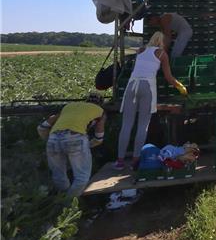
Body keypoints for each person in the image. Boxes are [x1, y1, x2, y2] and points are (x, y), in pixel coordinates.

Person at [114, 32, 187, 170]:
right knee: (143, 125)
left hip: (131, 86)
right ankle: (135, 161)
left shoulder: (141, 50)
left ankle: (119, 161)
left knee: (127, 125)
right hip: (147, 86)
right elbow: (168, 77)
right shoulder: (162, 54)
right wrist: (180, 86)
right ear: (162, 42)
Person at [37, 91, 106, 197]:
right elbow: (99, 137)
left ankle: (60, 201)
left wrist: (49, 141)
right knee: (82, 177)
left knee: (58, 175)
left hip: (53, 138)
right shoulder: (100, 111)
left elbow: (42, 127)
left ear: (86, 100)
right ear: (101, 103)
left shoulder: (69, 107)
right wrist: (88, 146)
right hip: (76, 137)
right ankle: (69, 203)